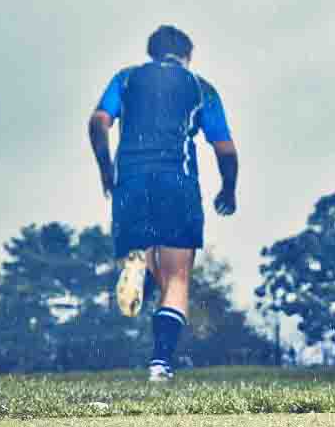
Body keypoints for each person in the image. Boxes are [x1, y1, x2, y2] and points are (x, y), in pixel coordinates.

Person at [88, 25, 238, 382]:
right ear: (186, 55)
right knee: (178, 277)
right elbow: (226, 149)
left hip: (131, 183)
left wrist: (106, 170)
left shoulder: (125, 79)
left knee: (153, 262)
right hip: (177, 183)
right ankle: (160, 362)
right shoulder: (200, 86)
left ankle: (137, 264)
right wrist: (229, 189)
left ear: (150, 52)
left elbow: (98, 122)